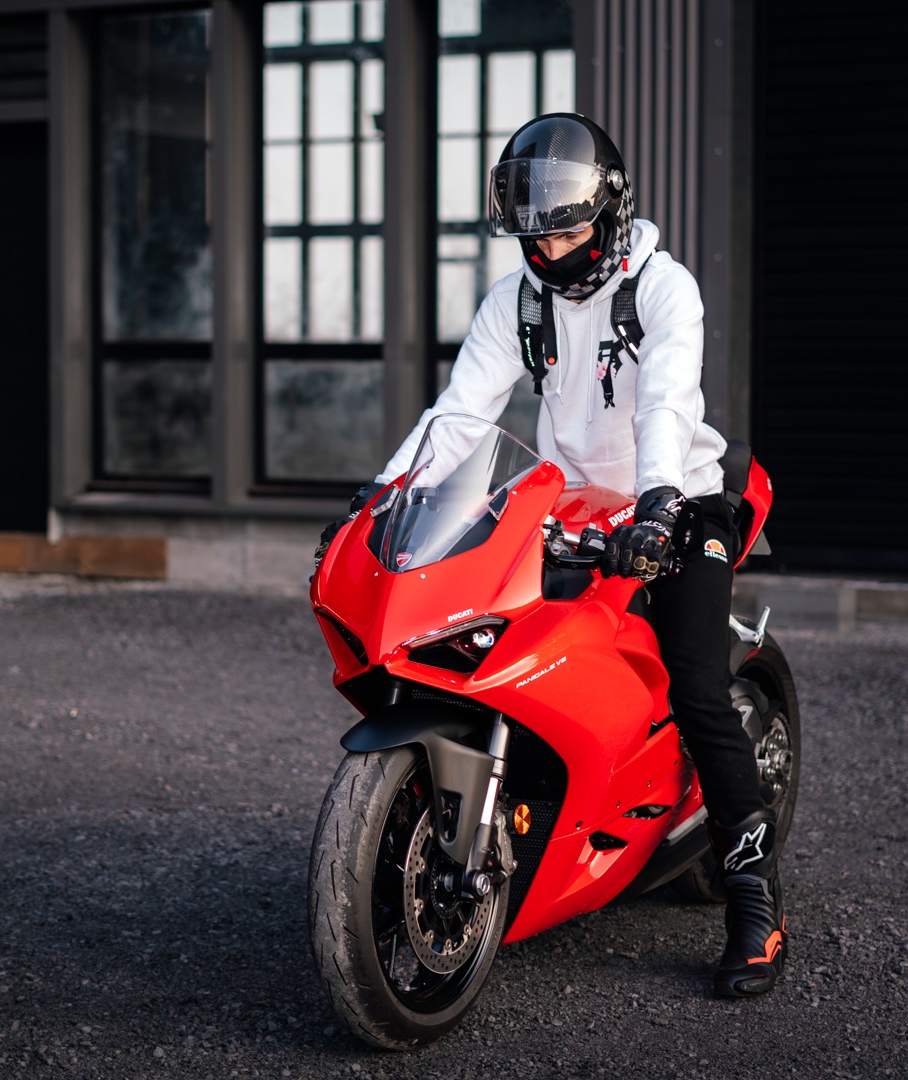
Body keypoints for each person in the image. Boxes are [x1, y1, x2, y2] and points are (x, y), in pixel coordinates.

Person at [314, 113, 785, 999]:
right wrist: (383, 493)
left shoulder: (664, 288)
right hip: (571, 504)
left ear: (609, 215)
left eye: (566, 234)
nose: (549, 252)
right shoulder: (518, 300)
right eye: (535, 237)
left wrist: (658, 503)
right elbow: (462, 414)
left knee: (694, 683)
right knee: (494, 644)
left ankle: (754, 893)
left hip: (678, 496)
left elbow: (666, 404)